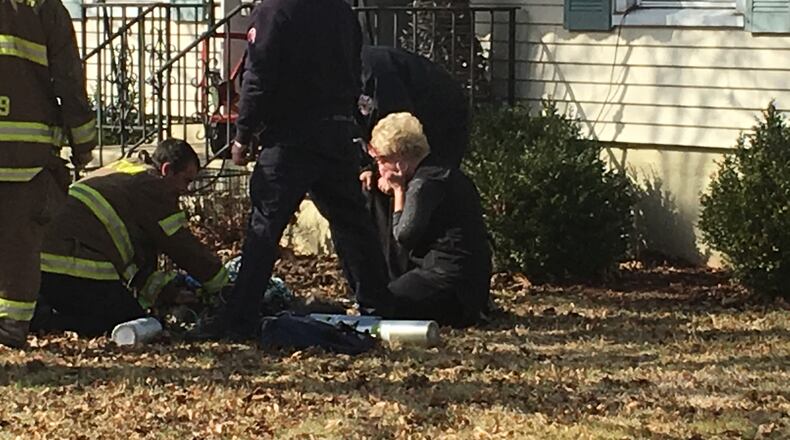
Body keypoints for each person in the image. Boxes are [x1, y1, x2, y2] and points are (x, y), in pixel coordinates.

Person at [203, 0, 391, 339]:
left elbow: (259, 75)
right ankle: (378, 305)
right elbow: (354, 70)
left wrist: (243, 134)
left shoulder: (275, 11)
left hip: (289, 138)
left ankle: (240, 317)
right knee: (352, 223)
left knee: (264, 228)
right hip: (335, 131)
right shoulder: (340, 11)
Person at [31, 139, 230, 336]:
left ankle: (41, 313)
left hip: (41, 259)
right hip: (74, 262)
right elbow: (183, 247)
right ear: (167, 170)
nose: (186, 189)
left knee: (118, 312)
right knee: (128, 322)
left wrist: (168, 292)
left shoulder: (126, 171)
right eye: (186, 180)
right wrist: (223, 285)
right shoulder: (153, 188)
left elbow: (135, 258)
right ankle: (45, 322)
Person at [0, 0, 96, 348]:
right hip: (22, 156)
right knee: (18, 245)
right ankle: (10, 331)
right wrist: (84, 142)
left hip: (22, 153)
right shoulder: (44, 7)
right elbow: (68, 79)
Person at [355, 46, 469, 279]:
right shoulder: (340, 78)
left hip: (440, 121)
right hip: (404, 126)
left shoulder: (375, 71)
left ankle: (411, 273)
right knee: (377, 188)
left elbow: (394, 130)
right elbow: (357, 126)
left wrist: (385, 171)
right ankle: (391, 275)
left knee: (416, 190)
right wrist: (366, 166)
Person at [369, 112, 491, 327]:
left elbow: (404, 235)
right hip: (471, 284)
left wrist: (398, 190)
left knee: (381, 305)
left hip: (445, 281)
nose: (379, 168)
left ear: (399, 159)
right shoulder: (444, 172)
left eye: (381, 160)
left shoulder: (423, 185)